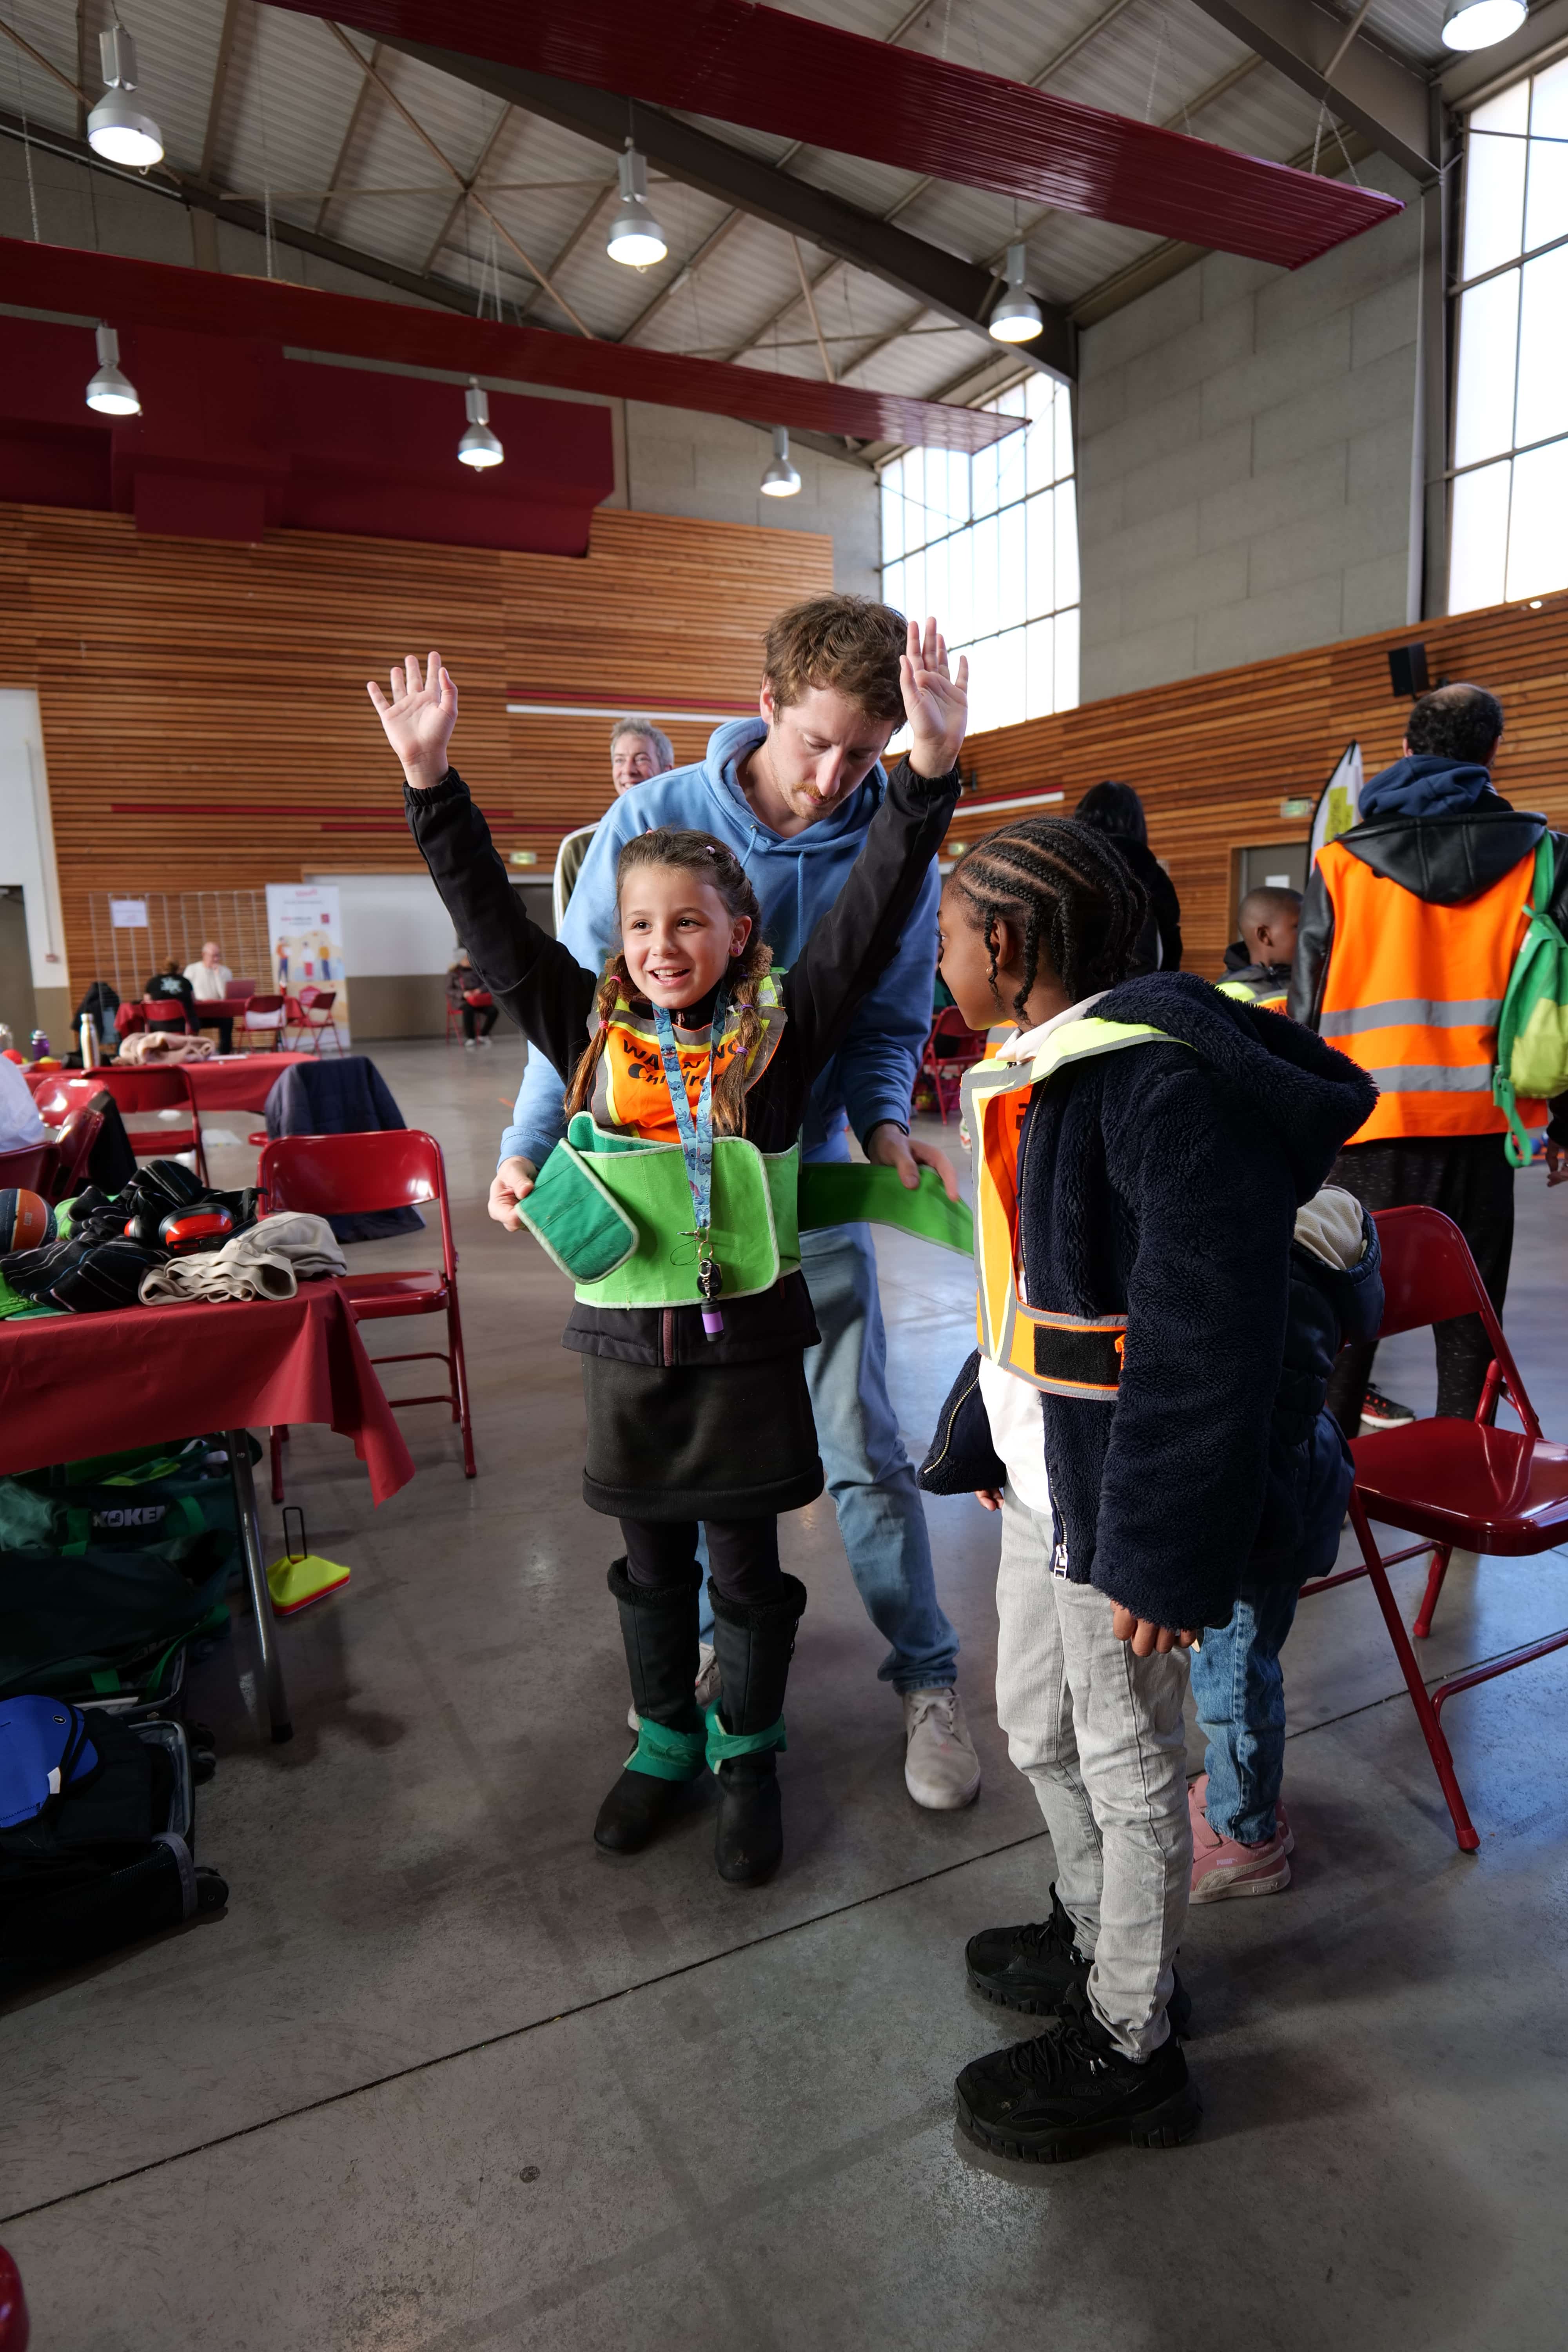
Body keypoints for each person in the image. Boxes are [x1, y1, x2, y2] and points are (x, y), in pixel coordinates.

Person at [372, 633, 967, 1885]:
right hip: (628, 1353)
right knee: (650, 1558)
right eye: (638, 925)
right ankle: (664, 1741)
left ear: (739, 934)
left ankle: (749, 1750)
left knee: (749, 1561)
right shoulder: (590, 1040)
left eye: (687, 923)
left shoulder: (778, 1045)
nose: (657, 946)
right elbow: (489, 911)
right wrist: (431, 782)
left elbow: (870, 920)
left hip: (750, 1346)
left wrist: (927, 772)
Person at [922, 815, 1373, 2160]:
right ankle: (1089, 1924)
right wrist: (978, 1438)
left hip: (1125, 1510)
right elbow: (1028, 1289)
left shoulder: (1159, 1086)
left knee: (1129, 1767)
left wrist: (1165, 1558)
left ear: (1005, 949)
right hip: (1045, 1477)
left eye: (948, 935)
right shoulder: (1036, 1068)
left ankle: (1134, 2038)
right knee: (1037, 1729)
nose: (939, 957)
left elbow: (1208, 1341)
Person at [503, 595, 982, 1811]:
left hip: (800, 1194)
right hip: (663, 1216)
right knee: (699, 1472)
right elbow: (569, 1015)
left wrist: (882, 1123)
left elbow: (884, 1018)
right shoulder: (650, 821)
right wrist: (527, 1148)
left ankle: (925, 1675)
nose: (833, 778)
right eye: (816, 741)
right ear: (763, 704)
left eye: (865, 755)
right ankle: (719, 1668)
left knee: (864, 1452)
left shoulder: (893, 836)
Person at [1294, 682, 1568, 1434]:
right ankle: (1461, 1478)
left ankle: (1325, 1485)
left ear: (1407, 750)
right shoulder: (1540, 855)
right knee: (1469, 1316)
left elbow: (1309, 1007)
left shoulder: (1341, 862)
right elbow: (1560, 997)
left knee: (1343, 1316)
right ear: (1493, 754)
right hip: (1485, 1122)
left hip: (1368, 1119)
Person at [554, 717, 677, 930]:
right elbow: (569, 933)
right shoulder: (577, 848)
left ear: (667, 770)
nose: (627, 770)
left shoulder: (688, 842)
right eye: (620, 760)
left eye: (641, 759)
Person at [1074, 779, 1182, 973]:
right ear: (1136, 823)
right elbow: (1169, 942)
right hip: (1137, 992)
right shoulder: (1145, 868)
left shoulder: (1064, 863)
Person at [1218, 887, 1300, 1011]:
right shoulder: (1224, 1000)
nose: (1309, 934)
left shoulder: (1312, 981)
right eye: (1299, 927)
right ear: (1264, 935)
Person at [182, 941, 235, 1053]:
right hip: (198, 1012)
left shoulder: (225, 972)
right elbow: (186, 992)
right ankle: (194, 1052)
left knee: (228, 1021)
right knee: (190, 1022)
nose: (216, 959)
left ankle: (225, 1054)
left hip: (218, 1011)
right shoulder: (192, 970)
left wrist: (218, 976)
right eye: (213, 956)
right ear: (204, 955)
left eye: (218, 956)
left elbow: (225, 996)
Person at [447, 948, 497, 1049]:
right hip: (463, 1001)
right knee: (468, 1010)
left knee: (493, 1011)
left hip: (478, 1000)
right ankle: (471, 1037)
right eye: (466, 959)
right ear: (460, 961)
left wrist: (479, 990)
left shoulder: (477, 971)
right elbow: (449, 990)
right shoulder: (453, 974)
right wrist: (463, 994)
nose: (469, 961)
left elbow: (486, 984)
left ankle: (484, 1035)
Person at [144, 959, 198, 1034]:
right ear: (177, 968)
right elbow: (193, 1001)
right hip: (182, 1024)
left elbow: (148, 1003)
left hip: (158, 1024)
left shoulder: (153, 982)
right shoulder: (186, 982)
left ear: (162, 968)